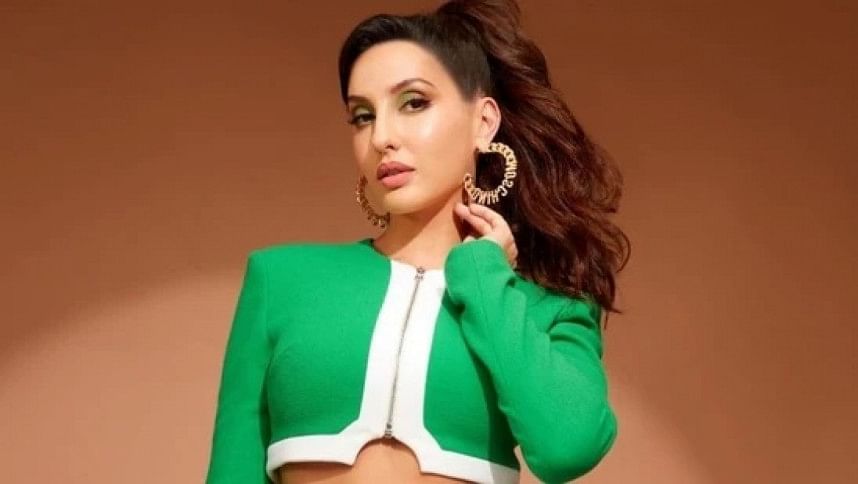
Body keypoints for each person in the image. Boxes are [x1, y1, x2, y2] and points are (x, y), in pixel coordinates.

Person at [204, 0, 630, 483]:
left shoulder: (545, 307)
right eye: (362, 116)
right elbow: (232, 471)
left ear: (484, 122)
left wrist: (484, 275)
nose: (381, 137)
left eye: (413, 103)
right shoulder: (282, 281)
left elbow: (569, 448)